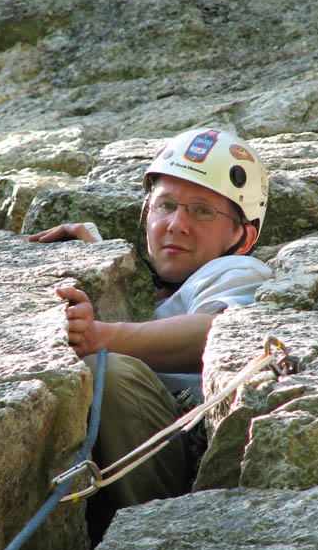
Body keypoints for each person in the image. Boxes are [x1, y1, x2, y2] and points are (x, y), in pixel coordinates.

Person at [28, 127, 272, 510]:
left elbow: (217, 333)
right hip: (125, 454)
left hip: (184, 462)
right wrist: (98, 264)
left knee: (111, 370)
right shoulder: (147, 292)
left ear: (241, 238)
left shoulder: (237, 272)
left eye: (203, 212)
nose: (177, 223)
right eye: (165, 205)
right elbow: (142, 322)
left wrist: (101, 336)